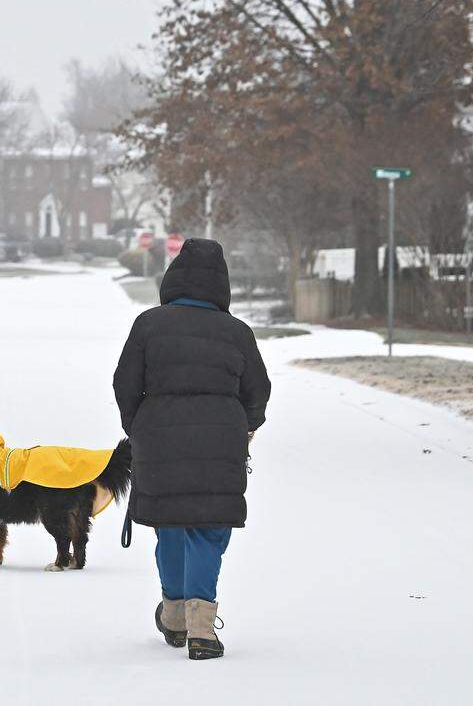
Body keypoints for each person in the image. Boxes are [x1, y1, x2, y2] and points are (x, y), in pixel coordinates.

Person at [113, 238, 271, 660]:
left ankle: (175, 615)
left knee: (170, 525)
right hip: (221, 442)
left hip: (159, 440)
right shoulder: (237, 332)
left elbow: (124, 383)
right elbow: (258, 391)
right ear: (221, 285)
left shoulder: (148, 325)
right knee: (207, 527)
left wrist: (139, 427)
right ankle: (201, 630)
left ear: (173, 279)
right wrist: (246, 427)